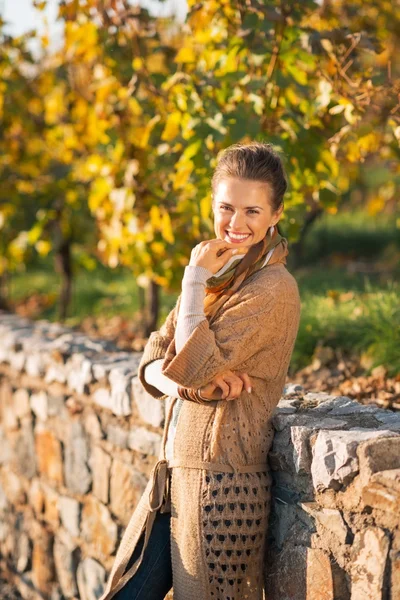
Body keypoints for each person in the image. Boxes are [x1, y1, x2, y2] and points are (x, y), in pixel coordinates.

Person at [100, 142, 301, 600]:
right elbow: (151, 364)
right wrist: (188, 384)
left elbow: (193, 364)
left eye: (252, 210)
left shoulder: (273, 289)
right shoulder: (217, 274)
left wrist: (191, 283)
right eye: (226, 207)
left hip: (222, 490)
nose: (236, 223)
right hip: (170, 482)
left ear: (276, 214)